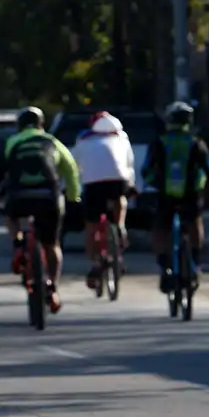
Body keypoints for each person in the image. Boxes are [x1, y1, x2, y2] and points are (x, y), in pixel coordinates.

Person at [0, 106, 81, 313]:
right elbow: (70, 169)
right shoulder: (52, 142)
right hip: (49, 198)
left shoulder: (13, 142)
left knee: (11, 216)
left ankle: (18, 243)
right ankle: (52, 285)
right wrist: (73, 197)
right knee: (52, 244)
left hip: (20, 197)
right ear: (41, 124)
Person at [144, 101, 209, 295]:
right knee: (195, 222)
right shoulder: (196, 142)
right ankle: (195, 262)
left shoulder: (160, 142)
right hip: (191, 194)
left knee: (160, 228)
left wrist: (155, 183)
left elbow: (146, 171)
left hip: (166, 195)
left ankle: (164, 266)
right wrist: (208, 192)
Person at [71, 112, 135, 293]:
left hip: (93, 184)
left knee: (91, 225)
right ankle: (120, 226)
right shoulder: (122, 137)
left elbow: (75, 164)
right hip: (118, 181)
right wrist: (131, 185)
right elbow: (129, 164)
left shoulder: (84, 138)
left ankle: (94, 261)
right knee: (120, 198)